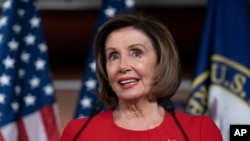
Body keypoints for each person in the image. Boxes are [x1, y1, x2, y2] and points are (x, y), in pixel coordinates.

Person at [60, 11, 223, 141]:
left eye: (136, 53)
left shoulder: (198, 132)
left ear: (160, 62)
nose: (122, 66)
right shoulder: (80, 133)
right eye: (113, 56)